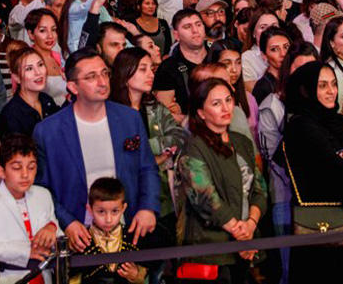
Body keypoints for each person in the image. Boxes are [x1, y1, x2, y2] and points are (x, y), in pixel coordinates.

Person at [32, 49, 160, 252]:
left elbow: (147, 168)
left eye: (105, 73)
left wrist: (148, 208)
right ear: (73, 86)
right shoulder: (48, 131)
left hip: (129, 226)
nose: (102, 82)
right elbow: (42, 188)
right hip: (78, 233)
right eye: (91, 77)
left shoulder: (128, 118)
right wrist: (67, 222)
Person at [280, 62, 343, 282]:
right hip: (322, 224)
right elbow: (336, 171)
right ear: (306, 90)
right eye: (322, 86)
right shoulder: (301, 126)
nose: (331, 91)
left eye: (333, 84)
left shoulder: (337, 121)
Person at [178, 76, 267, 282]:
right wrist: (240, 234)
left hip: (248, 240)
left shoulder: (242, 142)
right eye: (216, 103)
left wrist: (251, 225)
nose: (226, 107)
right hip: (212, 249)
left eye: (228, 100)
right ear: (201, 112)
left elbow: (259, 190)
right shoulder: (195, 147)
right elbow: (205, 197)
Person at [110, 46, 183, 243]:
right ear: (125, 73)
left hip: (164, 194)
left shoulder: (154, 107)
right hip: (128, 196)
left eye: (151, 68)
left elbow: (178, 136)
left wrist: (144, 148)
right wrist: (159, 154)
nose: (150, 74)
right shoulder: (112, 112)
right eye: (143, 69)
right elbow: (121, 152)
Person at [0, 134, 59, 284]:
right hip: (5, 278)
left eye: (31, 167)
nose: (25, 174)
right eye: (16, 168)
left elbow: (56, 235)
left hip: (42, 277)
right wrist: (24, 251)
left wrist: (52, 228)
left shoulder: (43, 195)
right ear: (1, 171)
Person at [74, 176, 148, 284]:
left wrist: (136, 274)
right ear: (90, 209)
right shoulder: (81, 241)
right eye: (101, 212)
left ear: (123, 208)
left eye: (114, 211)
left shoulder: (133, 238)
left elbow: (147, 275)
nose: (108, 219)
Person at [153, 9, 209, 118]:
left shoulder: (218, 57)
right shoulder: (168, 68)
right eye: (187, 27)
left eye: (198, 24)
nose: (195, 30)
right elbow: (166, 116)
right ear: (176, 35)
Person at [0, 46, 61, 139]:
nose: (38, 72)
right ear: (17, 77)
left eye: (40, 65)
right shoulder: (12, 115)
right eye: (29, 69)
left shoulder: (46, 100)